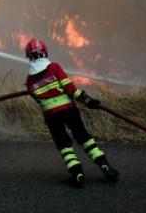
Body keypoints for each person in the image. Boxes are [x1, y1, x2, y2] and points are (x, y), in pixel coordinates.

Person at [24, 38, 119, 188]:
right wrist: (88, 100)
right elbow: (71, 89)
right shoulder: (54, 68)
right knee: (84, 138)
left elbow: (38, 99)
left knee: (63, 145)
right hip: (69, 110)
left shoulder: (29, 81)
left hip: (51, 116)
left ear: (29, 56)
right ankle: (105, 167)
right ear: (45, 53)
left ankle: (77, 174)